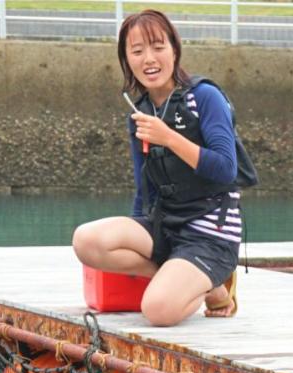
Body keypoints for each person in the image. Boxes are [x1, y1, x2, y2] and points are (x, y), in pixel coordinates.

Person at [71, 9, 248, 327]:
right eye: (137, 51)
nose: (148, 59)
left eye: (158, 47)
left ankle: (214, 283)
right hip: (165, 224)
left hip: (210, 234)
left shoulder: (205, 97)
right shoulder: (140, 111)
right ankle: (182, 276)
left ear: (175, 50)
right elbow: (145, 188)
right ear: (127, 60)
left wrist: (169, 137)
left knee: (157, 310)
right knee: (86, 240)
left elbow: (225, 169)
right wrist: (138, 229)